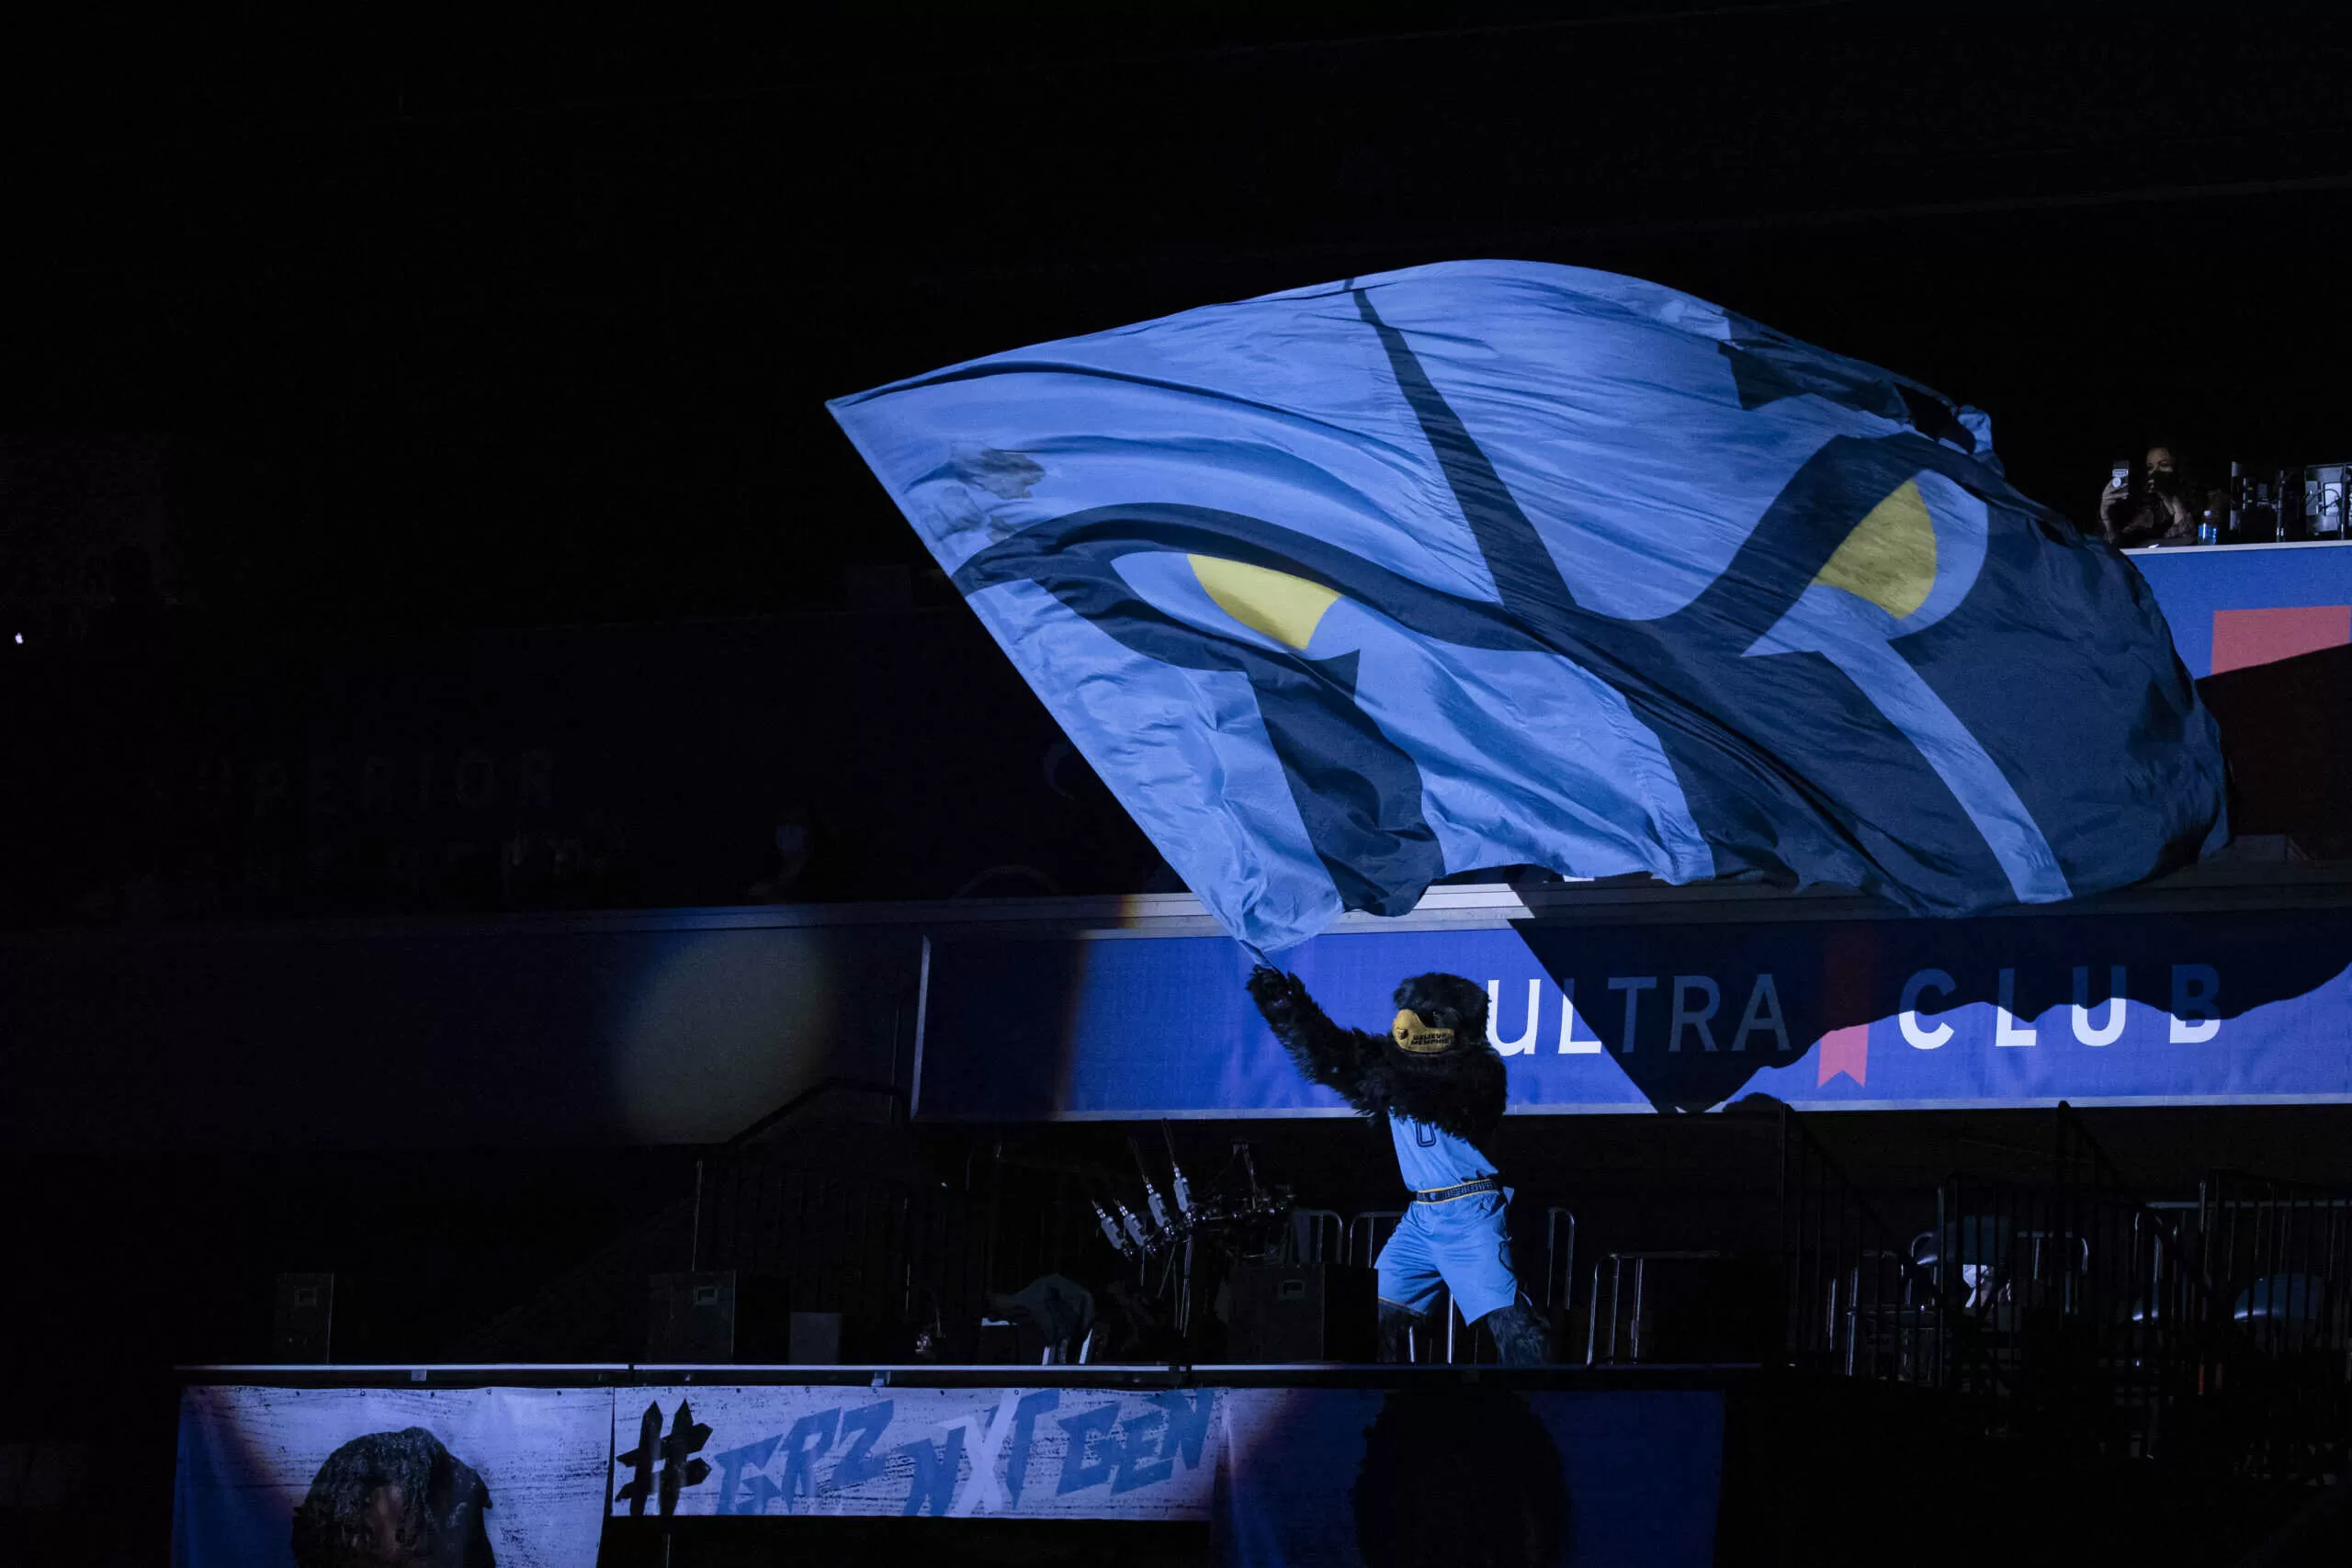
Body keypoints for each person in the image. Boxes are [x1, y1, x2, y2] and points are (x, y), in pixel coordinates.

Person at [1246, 966, 1547, 1362]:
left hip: (1470, 1212)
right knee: (1371, 1317)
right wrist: (1290, 1007)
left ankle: (1539, 1396)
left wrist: (1383, 1072)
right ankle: (1376, 1398)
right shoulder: (1391, 1062)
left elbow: (1433, 1096)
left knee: (1512, 1324)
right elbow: (1332, 1054)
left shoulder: (1481, 1070)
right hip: (1421, 1217)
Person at [2098, 445, 2204, 547]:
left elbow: (2186, 540)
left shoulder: (2200, 499)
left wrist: (2170, 496)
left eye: (2164, 465)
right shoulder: (2147, 507)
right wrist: (2105, 514)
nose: (2155, 472)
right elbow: (2118, 544)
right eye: (2150, 467)